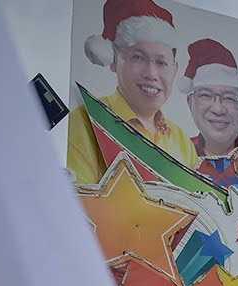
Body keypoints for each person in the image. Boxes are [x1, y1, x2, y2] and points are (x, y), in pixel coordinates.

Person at [67, 0, 199, 184]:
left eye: (161, 63)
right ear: (114, 60)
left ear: (175, 70)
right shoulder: (85, 121)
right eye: (138, 57)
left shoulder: (183, 142)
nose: (151, 74)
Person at [179, 38, 238, 158]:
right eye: (206, 95)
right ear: (190, 103)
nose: (218, 109)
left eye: (229, 98)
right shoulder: (175, 153)